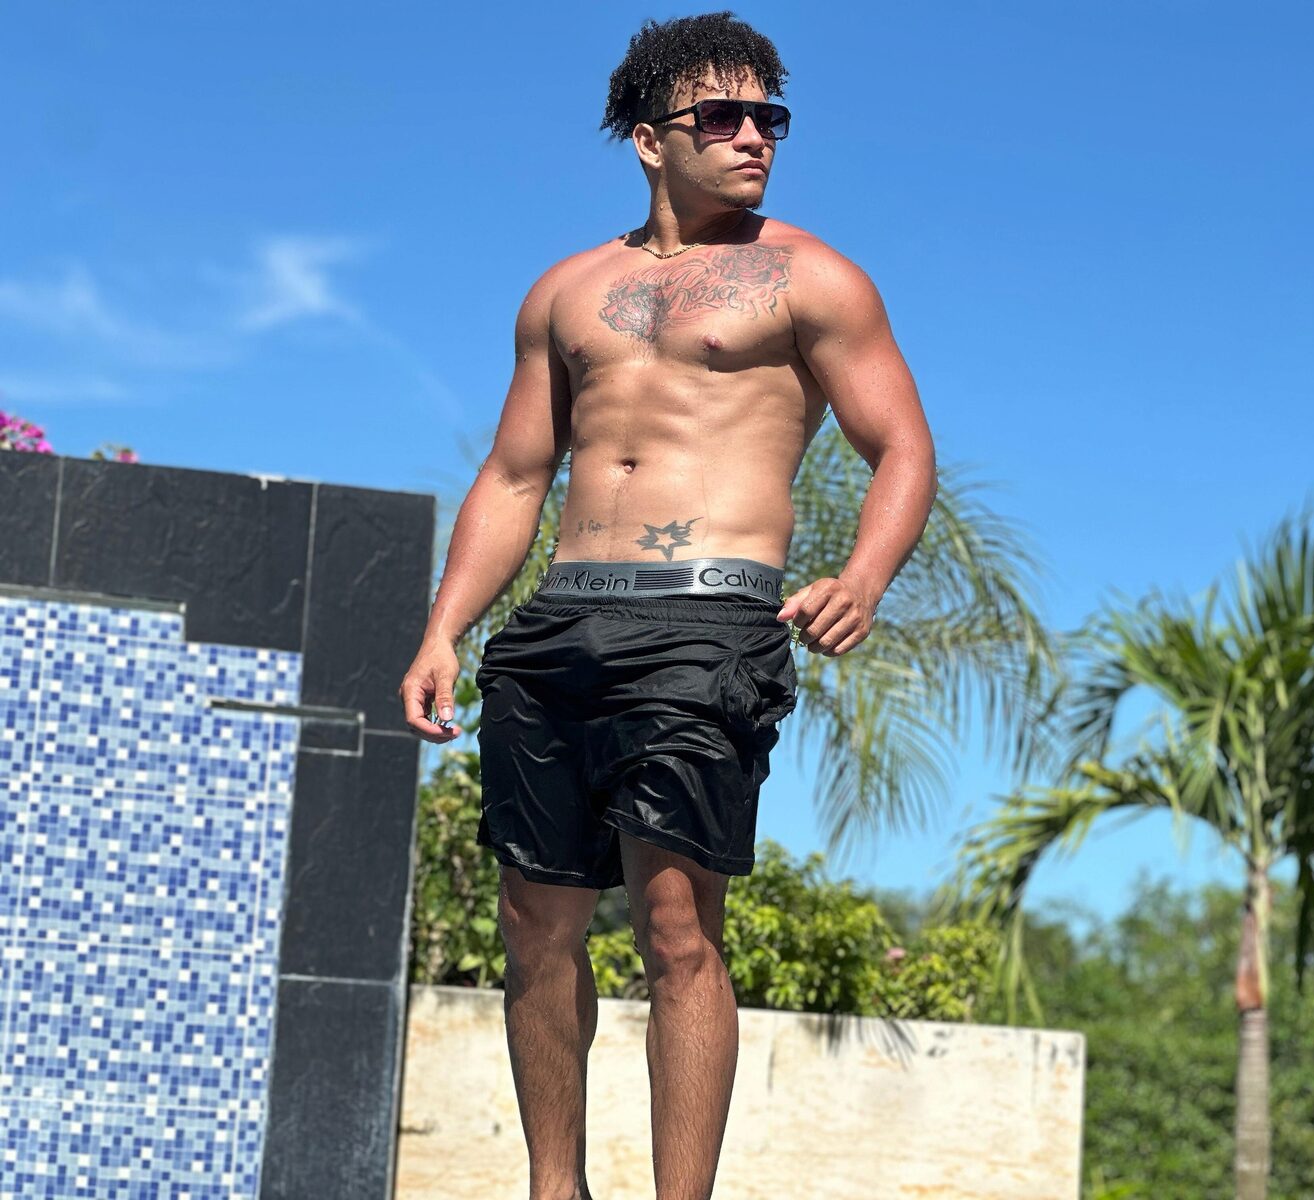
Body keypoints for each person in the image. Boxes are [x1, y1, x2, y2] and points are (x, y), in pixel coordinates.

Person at [398, 11, 936, 1200]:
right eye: (723, 117)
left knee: (677, 924)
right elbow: (515, 476)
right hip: (558, 622)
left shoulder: (810, 277)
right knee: (534, 923)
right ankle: (555, 1188)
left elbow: (902, 446)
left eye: (770, 117)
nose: (754, 137)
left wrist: (862, 576)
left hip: (706, 623)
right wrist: (444, 628)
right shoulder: (566, 291)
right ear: (650, 139)